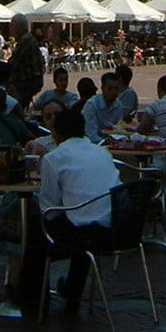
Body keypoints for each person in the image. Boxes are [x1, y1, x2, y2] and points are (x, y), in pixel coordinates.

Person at [36, 108, 121, 313]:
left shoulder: (54, 158)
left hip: (85, 232)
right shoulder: (103, 152)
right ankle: (72, 289)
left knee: (34, 230)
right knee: (82, 218)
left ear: (55, 132)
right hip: (118, 229)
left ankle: (35, 299)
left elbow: (49, 208)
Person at [9, 22, 46, 108]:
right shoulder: (29, 38)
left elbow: (15, 62)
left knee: (12, 98)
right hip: (34, 79)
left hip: (28, 81)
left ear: (18, 27)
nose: (11, 30)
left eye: (12, 26)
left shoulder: (25, 40)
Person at [81, 72, 125, 142]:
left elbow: (119, 131)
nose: (114, 92)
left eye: (116, 88)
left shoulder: (118, 105)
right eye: (110, 88)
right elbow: (91, 136)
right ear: (102, 88)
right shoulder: (91, 105)